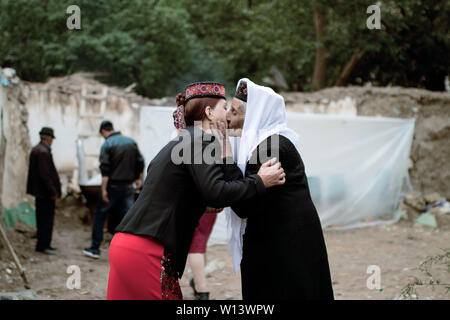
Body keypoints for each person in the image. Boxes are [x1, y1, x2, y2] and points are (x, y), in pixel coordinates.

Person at [107, 82, 286, 300]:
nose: (228, 114)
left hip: (126, 245)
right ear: (210, 113)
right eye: (224, 107)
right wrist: (259, 181)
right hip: (148, 251)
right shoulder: (202, 139)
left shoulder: (183, 140)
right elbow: (216, 192)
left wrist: (226, 147)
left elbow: (178, 192)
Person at [225, 79, 334, 300]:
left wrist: (225, 151)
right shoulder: (274, 142)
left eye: (234, 112)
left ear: (255, 116)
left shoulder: (269, 147)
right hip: (285, 242)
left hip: (284, 248)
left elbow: (243, 205)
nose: (227, 117)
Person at [83, 120, 145, 259]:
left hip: (112, 186)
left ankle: (94, 249)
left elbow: (105, 170)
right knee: (129, 218)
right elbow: (140, 162)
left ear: (104, 131)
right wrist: (139, 180)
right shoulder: (131, 142)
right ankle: (130, 251)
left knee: (100, 215)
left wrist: (103, 189)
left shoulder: (107, 144)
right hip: (128, 187)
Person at [26, 127, 61, 255]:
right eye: (51, 138)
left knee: (43, 219)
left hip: (41, 193)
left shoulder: (39, 150)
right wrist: (52, 191)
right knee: (46, 220)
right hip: (45, 194)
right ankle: (43, 245)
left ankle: (44, 244)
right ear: (47, 138)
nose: (52, 141)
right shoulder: (42, 152)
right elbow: (45, 175)